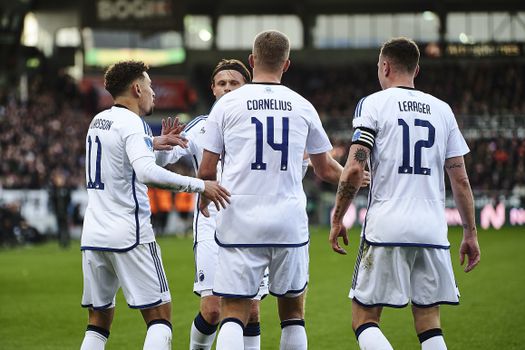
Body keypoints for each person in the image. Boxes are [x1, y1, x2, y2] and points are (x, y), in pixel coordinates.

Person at [329, 37, 481, 350]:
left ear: (384, 66)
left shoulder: (373, 103)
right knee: (429, 321)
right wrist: (470, 233)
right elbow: (461, 179)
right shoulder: (443, 110)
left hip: (387, 225)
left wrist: (338, 215)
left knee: (364, 318)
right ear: (417, 69)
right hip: (432, 230)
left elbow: (356, 167)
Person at [198, 30, 343, 350]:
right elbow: (326, 170)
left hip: (239, 220)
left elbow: (207, 171)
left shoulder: (226, 106)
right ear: (287, 64)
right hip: (288, 220)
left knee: (234, 311)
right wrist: (361, 177)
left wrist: (203, 198)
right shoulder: (303, 106)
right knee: (292, 313)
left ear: (252, 61)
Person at [79, 60, 230, 350]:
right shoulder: (133, 123)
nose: (153, 93)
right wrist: (201, 185)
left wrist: (153, 142)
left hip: (94, 236)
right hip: (129, 234)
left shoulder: (98, 121)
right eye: (149, 86)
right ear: (136, 88)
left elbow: (125, 159)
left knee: (98, 322)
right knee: (160, 318)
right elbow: (147, 174)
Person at [155, 59, 270, 350]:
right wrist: (162, 146)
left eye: (235, 83)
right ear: (213, 89)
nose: (228, 88)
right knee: (213, 309)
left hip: (252, 223)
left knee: (252, 310)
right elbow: (160, 163)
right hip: (211, 223)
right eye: (222, 83)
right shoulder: (201, 127)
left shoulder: (261, 125)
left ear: (247, 87)